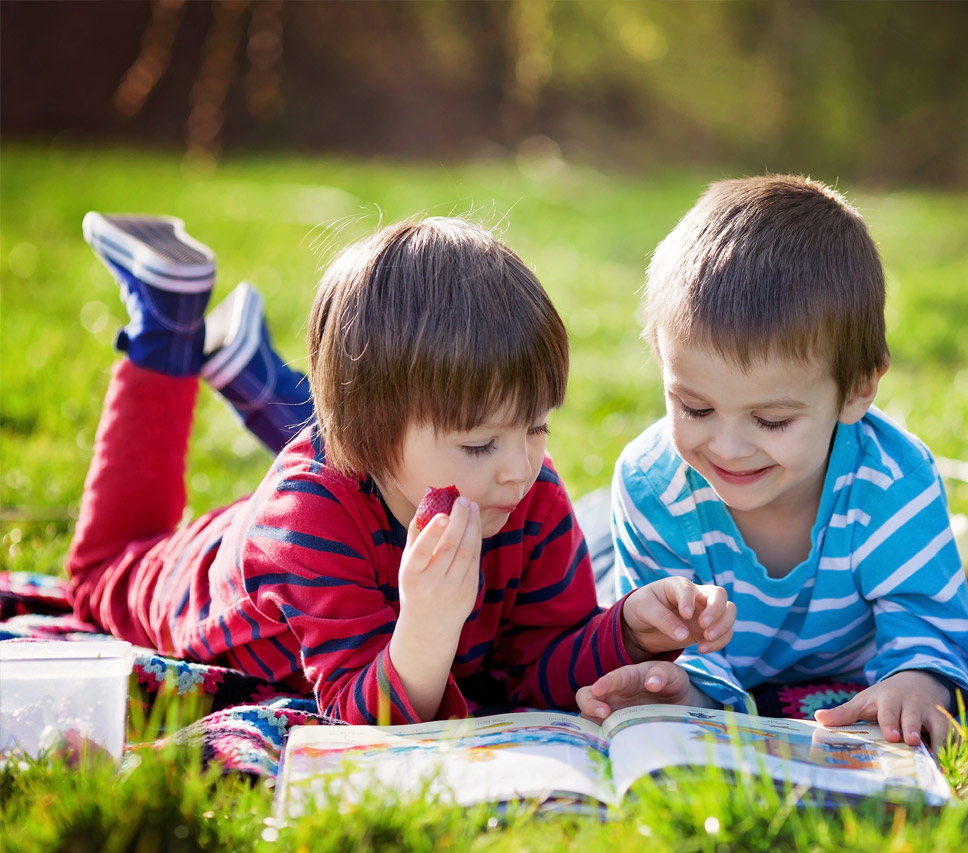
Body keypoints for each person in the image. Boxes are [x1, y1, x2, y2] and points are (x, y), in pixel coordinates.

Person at [66, 212, 736, 725]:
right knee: (98, 567)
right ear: (368, 437)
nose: (521, 469)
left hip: (354, 494)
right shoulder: (306, 520)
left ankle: (249, 370)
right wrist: (427, 627)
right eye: (480, 445)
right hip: (186, 577)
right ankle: (166, 322)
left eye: (535, 426)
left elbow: (534, 666)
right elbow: (360, 714)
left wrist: (627, 631)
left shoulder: (527, 494)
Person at [575, 176, 968, 748]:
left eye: (771, 421)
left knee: (929, 570)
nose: (727, 447)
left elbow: (933, 630)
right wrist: (680, 688)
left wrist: (916, 683)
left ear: (858, 390)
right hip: (604, 545)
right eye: (695, 407)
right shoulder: (651, 484)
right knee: (582, 558)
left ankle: (954, 542)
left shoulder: (893, 484)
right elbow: (664, 642)